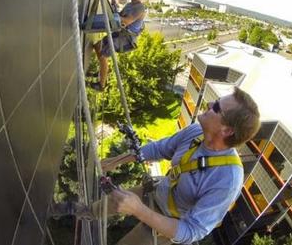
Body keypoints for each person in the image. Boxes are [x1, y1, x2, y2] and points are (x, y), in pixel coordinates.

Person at [52, 87, 260, 245]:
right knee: (108, 203)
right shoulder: (196, 132)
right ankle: (83, 211)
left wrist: (139, 210)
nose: (209, 104)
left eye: (216, 107)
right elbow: (162, 148)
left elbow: (191, 231)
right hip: (156, 191)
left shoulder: (227, 179)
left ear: (227, 131)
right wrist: (120, 160)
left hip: (166, 225)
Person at [89, 0, 146, 91]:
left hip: (126, 38)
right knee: (97, 46)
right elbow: (120, 15)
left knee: (103, 56)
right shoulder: (129, 5)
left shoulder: (140, 8)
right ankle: (104, 69)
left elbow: (126, 21)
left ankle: (101, 85)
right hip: (120, 32)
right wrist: (114, 7)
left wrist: (114, 15)